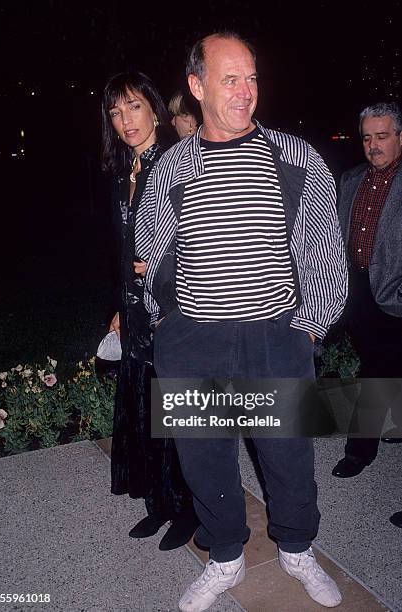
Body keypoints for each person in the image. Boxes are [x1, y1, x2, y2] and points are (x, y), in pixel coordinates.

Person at [136, 32, 347, 610]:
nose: (246, 90)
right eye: (230, 78)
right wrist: (165, 328)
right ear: (197, 86)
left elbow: (324, 252)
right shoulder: (172, 167)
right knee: (203, 457)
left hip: (275, 337)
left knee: (289, 457)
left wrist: (308, 327)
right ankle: (225, 557)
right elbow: (150, 255)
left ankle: (298, 550)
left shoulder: (298, 158)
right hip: (194, 339)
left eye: (252, 77)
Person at [101, 70, 198, 551]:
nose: (125, 120)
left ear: (155, 109)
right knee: (147, 414)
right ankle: (159, 504)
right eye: (116, 113)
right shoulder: (126, 171)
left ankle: (188, 510)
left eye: (134, 107)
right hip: (137, 312)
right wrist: (120, 305)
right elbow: (122, 250)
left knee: (177, 415)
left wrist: (164, 262)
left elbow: (206, 239)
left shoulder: (178, 163)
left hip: (175, 311)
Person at [332, 102, 402, 479]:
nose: (374, 145)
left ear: (401, 138)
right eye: (367, 138)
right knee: (380, 369)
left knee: (376, 373)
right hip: (358, 292)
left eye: (383, 136)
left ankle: (359, 451)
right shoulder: (351, 179)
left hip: (396, 296)